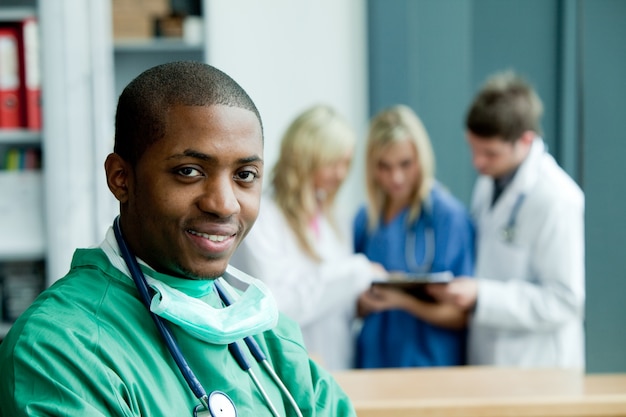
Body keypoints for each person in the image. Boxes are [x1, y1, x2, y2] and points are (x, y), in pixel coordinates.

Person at [0, 62, 357, 416]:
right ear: (121, 178)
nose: (223, 204)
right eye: (189, 171)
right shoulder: (59, 348)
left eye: (245, 175)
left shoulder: (270, 335)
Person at [428, 70, 585, 369]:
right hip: (492, 359)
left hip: (538, 365)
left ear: (525, 140)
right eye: (473, 148)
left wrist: (482, 295)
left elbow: (565, 301)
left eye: (490, 153)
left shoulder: (557, 199)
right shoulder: (489, 183)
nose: (478, 162)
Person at [230, 104, 384, 371]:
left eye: (346, 163)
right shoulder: (263, 218)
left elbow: (331, 301)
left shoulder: (334, 219)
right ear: (306, 157)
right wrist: (354, 273)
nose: (341, 174)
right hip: (283, 367)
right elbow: (275, 306)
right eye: (333, 162)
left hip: (338, 364)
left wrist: (360, 301)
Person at [353, 104, 475, 368]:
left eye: (405, 164)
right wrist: (363, 301)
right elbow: (354, 303)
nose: (395, 177)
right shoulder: (366, 219)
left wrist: (402, 300)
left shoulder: (447, 217)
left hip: (430, 366)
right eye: (384, 166)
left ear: (421, 158)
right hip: (374, 363)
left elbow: (461, 314)